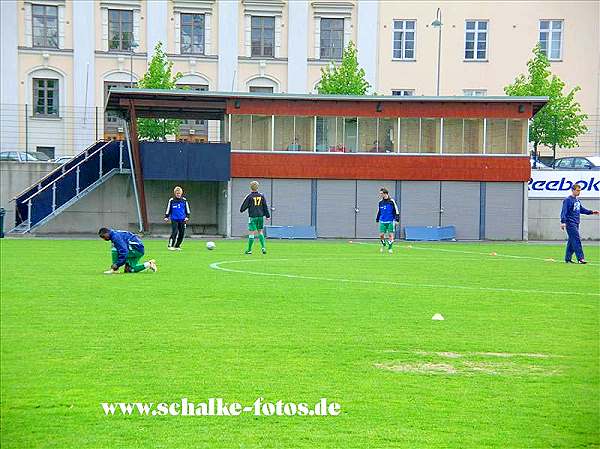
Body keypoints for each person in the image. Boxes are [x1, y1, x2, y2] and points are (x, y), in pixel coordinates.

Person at [560, 184, 599, 264]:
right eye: (577, 190)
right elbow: (564, 211)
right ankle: (581, 259)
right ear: (573, 190)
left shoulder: (577, 200)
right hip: (570, 223)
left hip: (576, 223)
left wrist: (592, 212)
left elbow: (582, 210)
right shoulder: (568, 200)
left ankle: (568, 259)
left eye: (579, 191)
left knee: (571, 241)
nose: (579, 192)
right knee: (576, 240)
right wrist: (563, 222)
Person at [240, 180, 270, 254]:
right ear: (258, 187)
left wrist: (242, 210)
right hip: (260, 216)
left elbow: (243, 207)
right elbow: (265, 206)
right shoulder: (261, 196)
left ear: (251, 188)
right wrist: (267, 215)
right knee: (260, 231)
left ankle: (249, 250)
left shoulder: (249, 196)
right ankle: (263, 247)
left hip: (253, 217)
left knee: (252, 233)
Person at [164, 186, 191, 250]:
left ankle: (177, 246)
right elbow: (168, 209)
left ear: (181, 193)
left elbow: (187, 209)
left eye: (179, 193)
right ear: (175, 193)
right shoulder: (172, 200)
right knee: (175, 232)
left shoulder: (184, 200)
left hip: (182, 219)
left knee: (182, 233)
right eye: (177, 193)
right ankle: (170, 245)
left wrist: (187, 216)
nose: (178, 194)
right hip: (174, 219)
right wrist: (166, 216)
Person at [376, 188, 399, 253]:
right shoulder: (380, 202)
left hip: (390, 221)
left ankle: (390, 248)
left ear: (385, 193)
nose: (380, 195)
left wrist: (397, 219)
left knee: (390, 235)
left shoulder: (392, 201)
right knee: (381, 235)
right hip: (383, 221)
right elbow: (379, 211)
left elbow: (396, 210)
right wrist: (377, 218)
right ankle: (383, 244)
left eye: (381, 193)